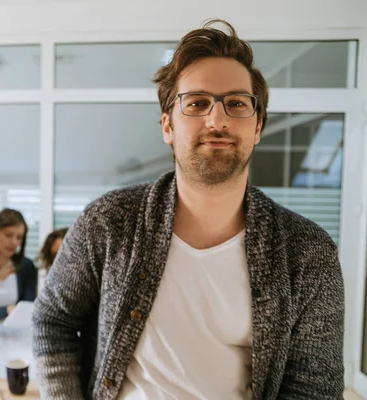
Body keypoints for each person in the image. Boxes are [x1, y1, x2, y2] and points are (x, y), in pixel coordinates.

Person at [33, 19, 344, 400]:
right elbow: (53, 320)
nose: (217, 119)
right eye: (196, 103)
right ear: (167, 126)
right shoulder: (109, 221)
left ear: (258, 125)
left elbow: (314, 388)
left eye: (236, 103)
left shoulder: (308, 252)